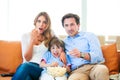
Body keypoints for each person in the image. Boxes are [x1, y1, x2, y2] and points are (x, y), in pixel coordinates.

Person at [61, 13, 109, 80]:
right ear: (64, 27)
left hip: (94, 67)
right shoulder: (63, 43)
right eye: (66, 25)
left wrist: (81, 54)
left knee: (102, 69)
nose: (69, 28)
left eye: (72, 24)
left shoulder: (90, 36)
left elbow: (98, 56)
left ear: (78, 25)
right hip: (77, 71)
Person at [12, 12, 54, 80]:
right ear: (35, 22)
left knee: (25, 66)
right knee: (27, 77)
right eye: (39, 21)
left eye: (44, 22)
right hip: (26, 67)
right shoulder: (25, 36)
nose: (41, 24)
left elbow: (59, 45)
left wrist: (62, 53)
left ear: (47, 25)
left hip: (40, 68)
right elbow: (27, 59)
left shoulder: (50, 35)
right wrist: (32, 40)